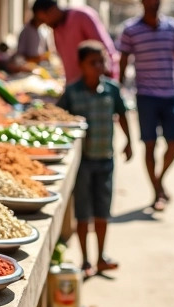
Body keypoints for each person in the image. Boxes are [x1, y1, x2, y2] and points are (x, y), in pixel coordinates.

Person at [118, 0, 174, 211]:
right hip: (145, 96)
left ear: (160, 1)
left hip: (170, 94)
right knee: (150, 145)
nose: (152, 4)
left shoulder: (173, 27)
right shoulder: (131, 30)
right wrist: (119, 89)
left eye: (156, 0)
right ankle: (156, 193)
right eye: (148, 0)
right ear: (142, 1)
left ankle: (159, 180)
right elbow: (123, 61)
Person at [57, 41, 134, 277]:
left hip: (105, 159)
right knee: (83, 213)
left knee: (102, 211)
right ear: (81, 65)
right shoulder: (72, 92)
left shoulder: (111, 89)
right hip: (83, 163)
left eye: (102, 61)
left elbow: (122, 114)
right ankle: (85, 260)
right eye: (93, 62)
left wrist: (129, 141)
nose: (99, 66)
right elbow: (60, 120)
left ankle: (101, 256)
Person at [32, 0, 118, 84]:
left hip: (96, 87)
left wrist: (109, 81)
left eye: (44, 19)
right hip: (75, 88)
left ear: (53, 10)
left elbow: (105, 50)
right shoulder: (56, 29)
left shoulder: (81, 16)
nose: (46, 23)